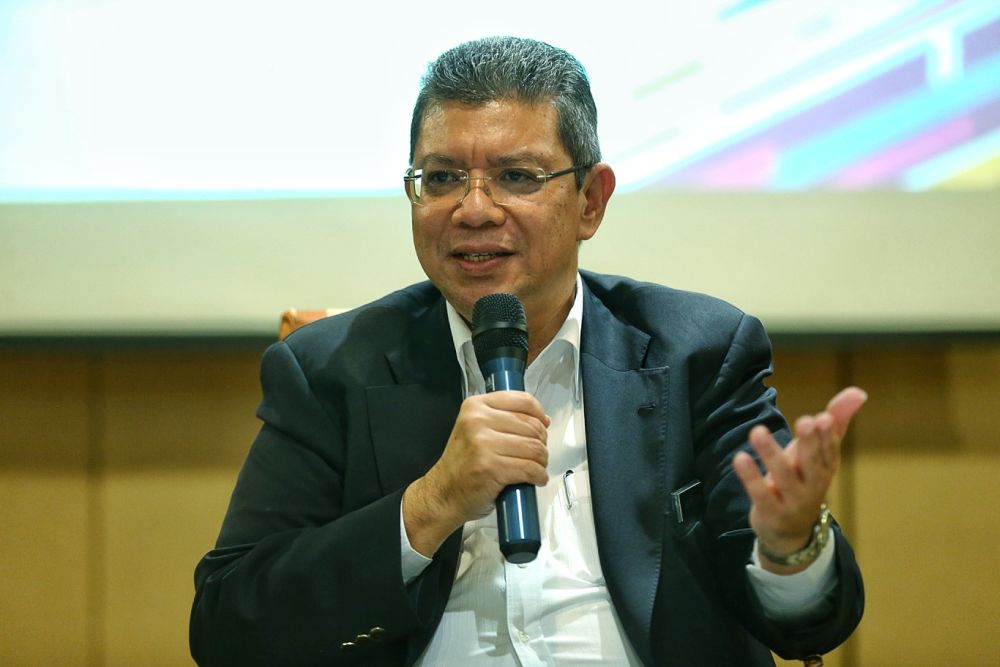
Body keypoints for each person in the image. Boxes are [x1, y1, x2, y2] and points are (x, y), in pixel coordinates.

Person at [190, 36, 864, 666]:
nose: (473, 209)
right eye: (442, 176)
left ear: (591, 202)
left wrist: (787, 548)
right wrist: (428, 505)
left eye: (516, 176)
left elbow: (803, 623)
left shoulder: (699, 352)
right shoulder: (331, 368)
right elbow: (227, 623)